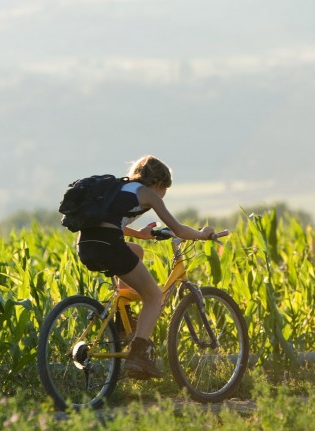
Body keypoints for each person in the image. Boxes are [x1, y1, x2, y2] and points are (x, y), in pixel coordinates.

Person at [76, 155, 215, 379]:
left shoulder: (119, 188)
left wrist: (139, 234)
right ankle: (138, 355)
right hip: (110, 245)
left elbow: (108, 223)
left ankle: (122, 320)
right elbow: (178, 230)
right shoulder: (148, 194)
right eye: (165, 189)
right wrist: (202, 234)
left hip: (86, 245)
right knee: (153, 296)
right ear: (159, 183)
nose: (163, 194)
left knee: (137, 251)